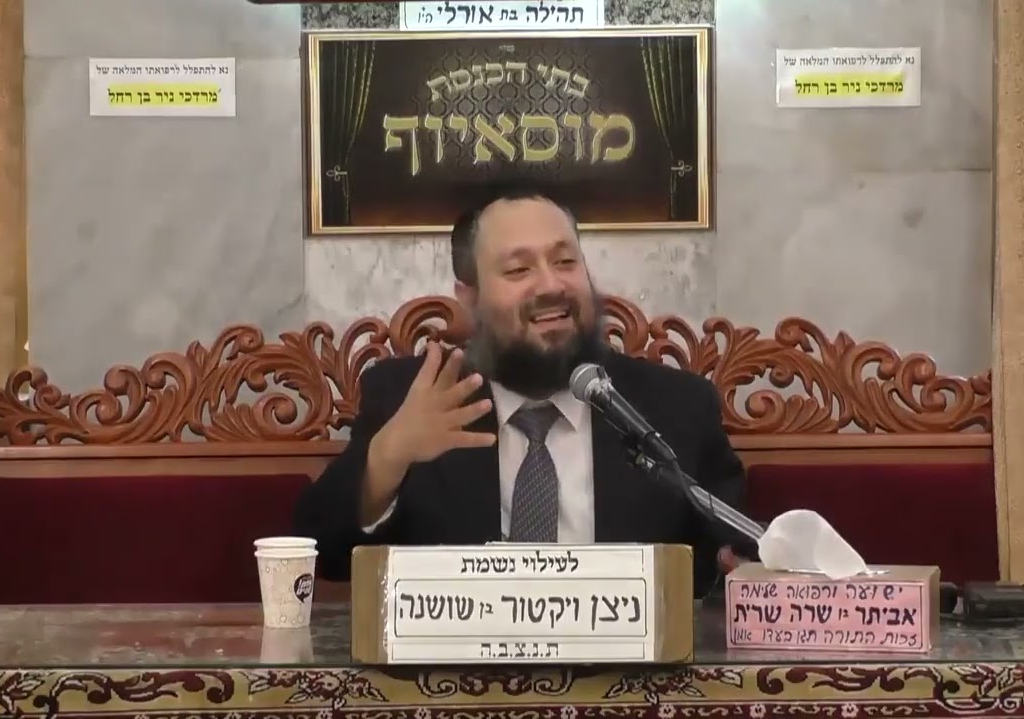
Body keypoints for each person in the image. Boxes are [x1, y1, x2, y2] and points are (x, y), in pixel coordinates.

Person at [295, 182, 754, 597]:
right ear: (469, 296)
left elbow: (735, 561)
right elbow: (322, 554)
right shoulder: (413, 397)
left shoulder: (675, 408)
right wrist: (387, 459)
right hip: (460, 664)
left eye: (565, 262)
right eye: (518, 270)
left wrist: (742, 568)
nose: (551, 285)